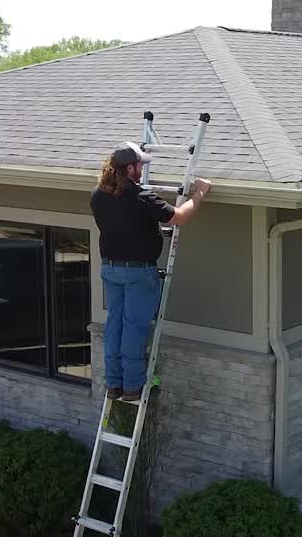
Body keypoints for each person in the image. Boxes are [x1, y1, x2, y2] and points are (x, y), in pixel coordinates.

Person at [89, 141, 211, 402]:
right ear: (130, 168)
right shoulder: (141, 198)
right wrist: (199, 193)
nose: (142, 168)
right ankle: (133, 387)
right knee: (134, 328)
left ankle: (114, 384)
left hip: (110, 269)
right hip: (137, 273)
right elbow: (178, 216)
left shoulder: (98, 195)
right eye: (140, 164)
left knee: (115, 324)